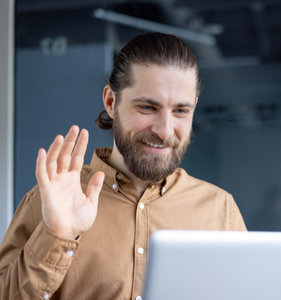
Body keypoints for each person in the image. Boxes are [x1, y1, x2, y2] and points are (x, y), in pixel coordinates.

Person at [0, 32, 247, 299]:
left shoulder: (222, 212)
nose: (164, 131)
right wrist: (56, 236)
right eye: (147, 107)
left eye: (180, 111)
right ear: (111, 101)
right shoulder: (47, 203)